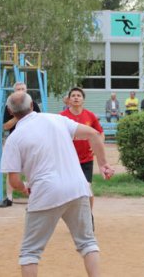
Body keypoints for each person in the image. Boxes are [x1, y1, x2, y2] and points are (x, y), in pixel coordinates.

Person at [0, 91, 115, 277]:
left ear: (10, 112)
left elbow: (13, 180)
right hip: (77, 188)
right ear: (32, 106)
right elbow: (93, 134)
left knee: (29, 252)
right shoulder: (56, 119)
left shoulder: (14, 138)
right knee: (87, 243)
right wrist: (103, 164)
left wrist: (23, 188)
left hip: (45, 192)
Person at [60, 87, 104, 218]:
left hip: (86, 159)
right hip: (68, 160)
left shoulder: (90, 116)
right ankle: (74, 217)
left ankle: (88, 215)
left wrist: (97, 147)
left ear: (83, 99)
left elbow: (100, 134)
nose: (76, 97)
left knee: (87, 189)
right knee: (70, 191)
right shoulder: (62, 117)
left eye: (79, 95)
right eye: (73, 95)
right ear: (69, 99)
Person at [0, 82, 41, 208]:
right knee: (11, 170)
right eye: (18, 89)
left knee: (33, 168)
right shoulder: (9, 105)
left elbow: (39, 121)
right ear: (14, 91)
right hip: (16, 141)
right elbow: (5, 126)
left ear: (27, 90)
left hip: (31, 140)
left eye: (23, 89)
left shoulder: (33, 104)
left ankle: (34, 197)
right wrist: (20, 114)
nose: (21, 91)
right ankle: (9, 198)